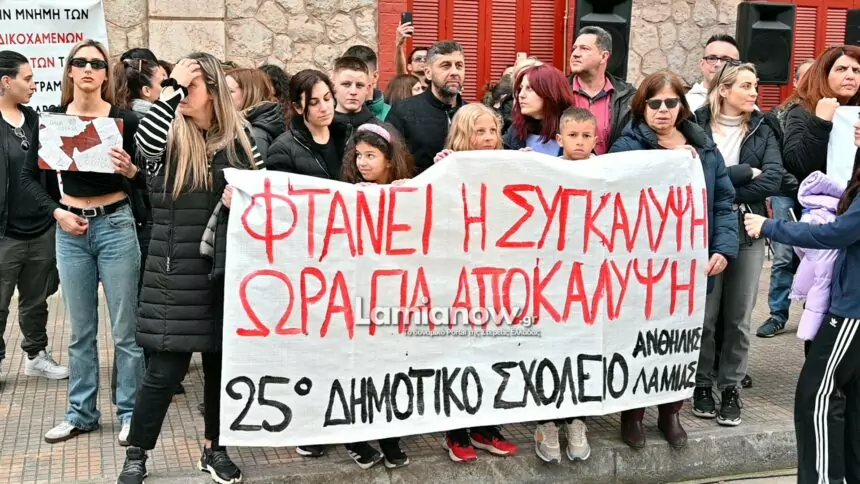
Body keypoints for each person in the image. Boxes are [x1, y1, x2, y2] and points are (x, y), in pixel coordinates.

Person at [116, 53, 263, 484]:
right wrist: (173, 88)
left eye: (190, 86)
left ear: (213, 92)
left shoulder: (242, 141)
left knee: (220, 370)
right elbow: (144, 144)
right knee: (164, 372)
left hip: (226, 273)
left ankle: (215, 448)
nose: (180, 93)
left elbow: (268, 199)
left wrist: (246, 202)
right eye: (176, 85)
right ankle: (137, 453)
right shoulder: (166, 137)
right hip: (174, 273)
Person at [19, 39, 144, 445]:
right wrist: (57, 212)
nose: (88, 68)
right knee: (80, 331)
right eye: (81, 62)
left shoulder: (124, 120)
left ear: (106, 75)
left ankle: (131, 413)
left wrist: (132, 171)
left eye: (97, 63)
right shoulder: (52, 121)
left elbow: (147, 178)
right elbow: (28, 178)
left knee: (125, 330)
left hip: (116, 225)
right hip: (70, 230)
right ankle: (81, 413)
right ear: (70, 71)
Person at [609, 70, 738, 449]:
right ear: (642, 107)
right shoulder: (627, 145)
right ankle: (633, 415)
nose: (662, 110)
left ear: (682, 106)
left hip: (688, 267)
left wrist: (723, 248)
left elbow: (723, 201)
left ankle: (671, 413)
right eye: (654, 103)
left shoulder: (705, 147)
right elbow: (612, 190)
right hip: (641, 266)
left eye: (670, 102)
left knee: (679, 340)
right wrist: (663, 162)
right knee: (639, 339)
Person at [743, 130, 860, 484]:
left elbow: (835, 233)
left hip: (853, 311)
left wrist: (770, 226)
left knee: (817, 395)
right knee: (850, 398)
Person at [691, 62, 783, 426]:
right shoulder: (695, 124)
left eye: (755, 85)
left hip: (748, 227)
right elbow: (695, 178)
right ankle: (701, 384)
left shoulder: (763, 126)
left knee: (739, 317)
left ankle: (730, 387)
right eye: (746, 85)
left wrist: (722, 187)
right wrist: (743, 174)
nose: (754, 92)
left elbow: (773, 179)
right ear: (724, 89)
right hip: (705, 229)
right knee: (705, 315)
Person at [433, 103, 519, 463]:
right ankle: (455, 432)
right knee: (459, 354)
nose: (487, 138)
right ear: (462, 135)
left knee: (492, 353)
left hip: (496, 277)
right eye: (479, 131)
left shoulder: (512, 164)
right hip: (458, 278)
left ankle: (485, 427)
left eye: (492, 131)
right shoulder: (445, 166)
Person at [110, 50, 186, 402]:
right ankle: (143, 379)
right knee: (145, 303)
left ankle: (138, 379)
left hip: (135, 218)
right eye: (163, 83)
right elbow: (149, 177)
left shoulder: (124, 117)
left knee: (136, 305)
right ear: (146, 90)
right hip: (146, 219)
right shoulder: (150, 122)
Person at [337, 124, 414, 469]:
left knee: (391, 368)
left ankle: (389, 436)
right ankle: (355, 437)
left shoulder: (409, 191)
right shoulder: (346, 193)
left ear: (389, 160)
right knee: (359, 367)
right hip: (358, 298)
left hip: (395, 299)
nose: (363, 162)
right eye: (359, 156)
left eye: (371, 155)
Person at [533, 107, 596, 464]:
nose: (580, 142)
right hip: (551, 283)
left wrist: (684, 153)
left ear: (596, 139)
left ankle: (577, 421)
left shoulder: (610, 173)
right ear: (559, 139)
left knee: (583, 352)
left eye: (587, 136)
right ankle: (547, 421)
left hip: (591, 285)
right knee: (550, 351)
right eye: (572, 136)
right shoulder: (544, 171)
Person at [0, 50, 66, 380]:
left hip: (40, 227)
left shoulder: (35, 121)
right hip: (4, 233)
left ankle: (36, 355)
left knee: (37, 299)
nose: (33, 85)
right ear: (5, 81)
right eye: (27, 79)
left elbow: (50, 171)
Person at [758, 59, 814, 338]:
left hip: (819, 196)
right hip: (786, 193)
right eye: (806, 77)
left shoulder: (829, 113)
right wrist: (797, 186)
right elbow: (774, 160)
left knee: (816, 257)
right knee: (783, 257)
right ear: (795, 81)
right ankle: (777, 315)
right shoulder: (778, 115)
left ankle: (812, 314)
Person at [388, 40, 466, 174]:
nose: (454, 72)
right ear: (428, 73)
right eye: (446, 66)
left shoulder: (472, 114)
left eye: (459, 66)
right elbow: (390, 161)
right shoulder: (402, 112)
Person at [788, 171, 844, 349]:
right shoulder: (845, 211)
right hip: (839, 282)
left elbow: (800, 246)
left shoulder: (811, 214)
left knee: (814, 318)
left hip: (816, 280)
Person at [266, 69, 348, 180]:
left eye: (327, 98)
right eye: (313, 103)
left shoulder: (347, 136)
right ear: (298, 107)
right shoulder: (282, 149)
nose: (324, 108)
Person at [568, 26, 635, 154]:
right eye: (574, 48)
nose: (575, 54)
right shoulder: (557, 91)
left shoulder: (627, 96)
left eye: (584, 48)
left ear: (604, 56)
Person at [502, 64, 575, 155]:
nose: (521, 95)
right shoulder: (516, 130)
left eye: (529, 89)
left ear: (550, 92)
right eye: (521, 88)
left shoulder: (576, 129)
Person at [226, 68, 286, 160]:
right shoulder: (239, 126)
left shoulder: (254, 136)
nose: (221, 96)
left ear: (249, 93)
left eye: (229, 91)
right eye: (221, 91)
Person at [686, 34, 741, 111]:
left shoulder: (747, 105)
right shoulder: (686, 105)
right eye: (712, 58)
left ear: (738, 66)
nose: (718, 64)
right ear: (702, 64)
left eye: (726, 60)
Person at [331, 57, 379, 139]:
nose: (353, 92)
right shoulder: (320, 128)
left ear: (367, 89)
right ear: (333, 87)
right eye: (346, 84)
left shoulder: (378, 131)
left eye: (359, 85)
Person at [343, 45, 390, 121]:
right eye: (348, 76)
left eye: (361, 76)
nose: (353, 90)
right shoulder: (330, 114)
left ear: (375, 77)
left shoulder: (391, 115)